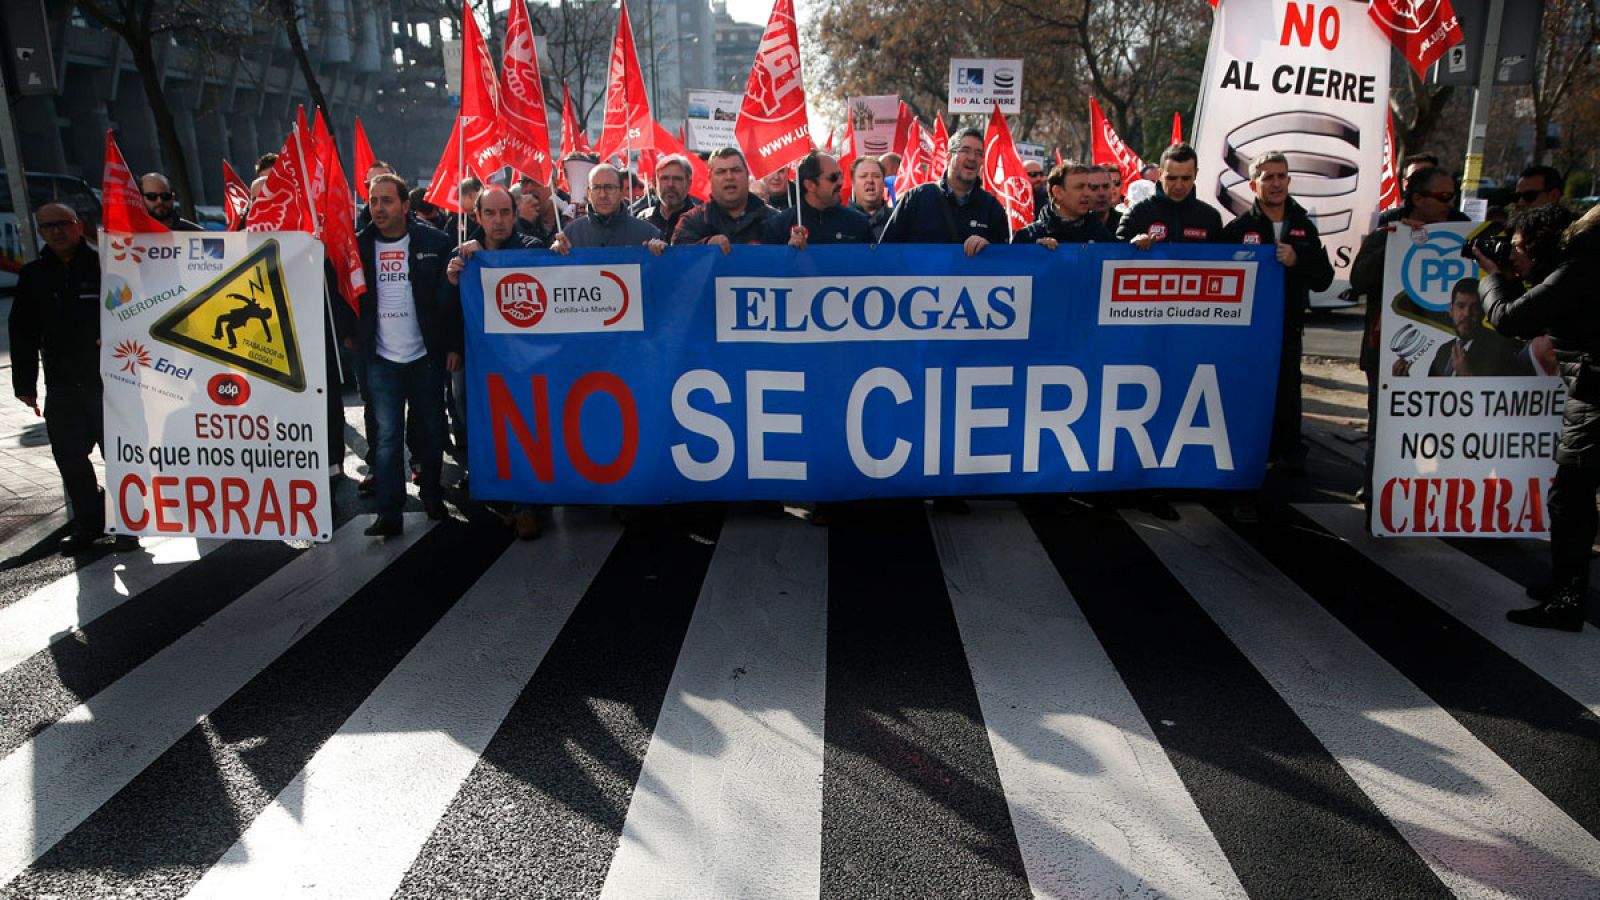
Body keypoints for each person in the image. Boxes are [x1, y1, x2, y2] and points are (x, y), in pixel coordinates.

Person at [1480, 202, 1592, 629]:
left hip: (1595, 394)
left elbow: (1509, 319)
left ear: (1544, 246)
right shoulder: (1579, 266)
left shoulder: (1576, 270)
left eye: (1521, 246)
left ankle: (1566, 599)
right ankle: (1567, 583)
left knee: (1570, 499)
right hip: (1590, 389)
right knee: (1574, 497)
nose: (1514, 254)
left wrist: (1492, 276)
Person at [9, 204, 136, 553]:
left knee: (119, 457)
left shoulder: (106, 266)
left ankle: (127, 524)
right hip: (62, 387)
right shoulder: (34, 275)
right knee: (70, 458)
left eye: (63, 224)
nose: (56, 232)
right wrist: (25, 385)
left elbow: (134, 314)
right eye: (47, 226)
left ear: (79, 226)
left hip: (108, 383)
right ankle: (89, 524)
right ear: (39, 232)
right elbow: (22, 331)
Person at [1351, 166, 1463, 507]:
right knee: (1384, 425)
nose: (1449, 203)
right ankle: (1378, 494)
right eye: (1442, 197)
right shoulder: (1388, 229)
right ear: (1417, 198)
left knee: (1442, 425)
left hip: (1446, 351)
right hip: (1390, 351)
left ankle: (1434, 497)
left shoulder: (1464, 231)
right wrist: (1394, 240)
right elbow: (1358, 280)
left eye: (1452, 196)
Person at [354, 174, 458, 536]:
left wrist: (453, 346)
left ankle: (431, 495)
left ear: (405, 206)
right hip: (381, 359)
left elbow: (450, 303)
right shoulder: (357, 246)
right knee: (386, 438)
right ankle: (389, 511)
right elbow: (342, 296)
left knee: (431, 430)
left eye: (386, 200)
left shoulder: (436, 241)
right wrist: (351, 338)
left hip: (425, 357)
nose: (378, 208)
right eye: (373, 200)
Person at [1220, 150, 1334, 477]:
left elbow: (1324, 278)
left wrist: (1298, 261)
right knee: (1248, 389)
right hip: (1246, 331)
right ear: (1254, 184)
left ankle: (1290, 454)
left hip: (1287, 327)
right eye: (1268, 177)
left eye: (1281, 176)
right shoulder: (1239, 228)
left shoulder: (1303, 226)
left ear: (1288, 180)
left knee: (1288, 391)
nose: (1276, 183)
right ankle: (1249, 449)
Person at [445, 185, 546, 537]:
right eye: (491, 213)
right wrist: (454, 280)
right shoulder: (462, 254)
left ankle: (526, 505)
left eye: (505, 213)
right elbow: (448, 309)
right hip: (475, 359)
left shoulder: (531, 249)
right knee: (472, 418)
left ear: (515, 215)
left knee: (523, 427)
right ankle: (493, 491)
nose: (499, 220)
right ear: (477, 216)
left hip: (522, 362)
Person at [880, 127, 1010, 255]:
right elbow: (886, 252)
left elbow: (1006, 260)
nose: (972, 158)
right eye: (965, 150)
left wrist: (990, 248)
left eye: (978, 153)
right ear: (948, 156)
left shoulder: (992, 208)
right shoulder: (916, 198)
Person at [1392, 279, 1523, 377]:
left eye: (1474, 308)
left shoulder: (1498, 347)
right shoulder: (1444, 351)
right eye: (1461, 306)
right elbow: (1433, 396)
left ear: (1483, 311)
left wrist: (1468, 376)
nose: (1467, 314)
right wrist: (1405, 382)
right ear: (1451, 310)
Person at [1116, 142, 1222, 247]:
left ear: (1196, 174)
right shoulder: (1137, 213)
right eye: (1171, 178)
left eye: (1185, 178)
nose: (1178, 186)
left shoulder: (1210, 218)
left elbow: (1223, 259)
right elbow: (1114, 255)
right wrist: (1131, 246)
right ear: (1160, 174)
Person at [672, 148, 778, 250]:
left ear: (747, 174)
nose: (729, 177)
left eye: (735, 170)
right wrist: (705, 245)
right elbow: (678, 258)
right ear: (710, 177)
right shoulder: (692, 222)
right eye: (721, 172)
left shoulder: (774, 219)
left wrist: (793, 248)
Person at [762, 150, 871, 247]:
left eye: (840, 176)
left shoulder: (857, 223)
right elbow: (769, 267)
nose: (840, 182)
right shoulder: (779, 226)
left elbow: (874, 266)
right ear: (810, 185)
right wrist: (788, 254)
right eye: (833, 178)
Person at [559, 164, 665, 250]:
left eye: (609, 188)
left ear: (621, 192)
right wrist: (555, 254)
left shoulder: (648, 234)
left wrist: (660, 252)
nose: (603, 195)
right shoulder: (571, 234)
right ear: (588, 193)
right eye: (596, 188)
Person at [1014, 161, 1115, 246]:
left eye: (1089, 187)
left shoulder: (1102, 235)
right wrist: (1036, 253)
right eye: (1080, 187)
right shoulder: (1027, 237)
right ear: (1058, 192)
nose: (1088, 193)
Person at [632, 155, 701, 240]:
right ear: (655, 183)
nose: (670, 184)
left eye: (677, 179)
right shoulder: (643, 219)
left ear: (688, 184)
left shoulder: (701, 222)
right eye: (664, 178)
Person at [850, 156, 891, 241]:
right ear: (853, 183)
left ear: (883, 182)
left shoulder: (898, 221)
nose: (870, 180)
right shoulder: (837, 221)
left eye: (876, 176)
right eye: (863, 176)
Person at [1088, 165, 1122, 234]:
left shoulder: (1126, 223)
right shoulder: (1073, 227)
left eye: (1106, 187)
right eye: (1094, 188)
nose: (1101, 193)